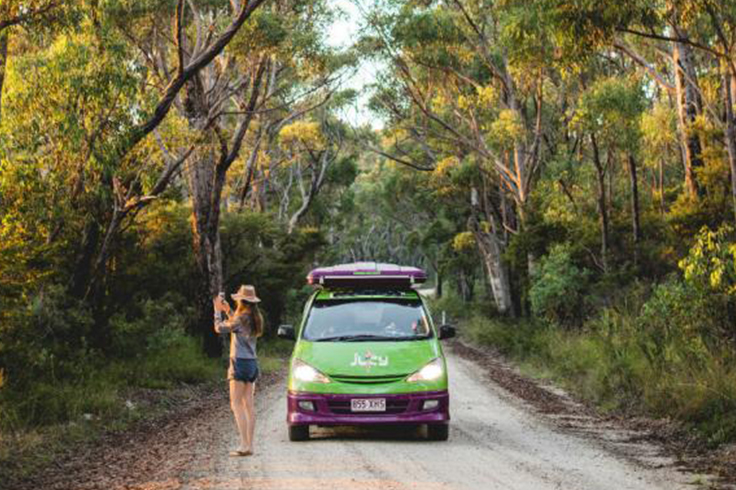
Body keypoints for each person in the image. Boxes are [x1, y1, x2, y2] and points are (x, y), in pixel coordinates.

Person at [213, 284, 264, 457]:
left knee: (236, 404)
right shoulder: (254, 317)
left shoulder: (241, 317)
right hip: (252, 364)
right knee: (248, 405)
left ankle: (243, 445)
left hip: (239, 363)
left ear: (241, 301)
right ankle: (249, 445)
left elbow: (219, 328)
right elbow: (236, 327)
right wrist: (228, 311)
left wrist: (217, 310)